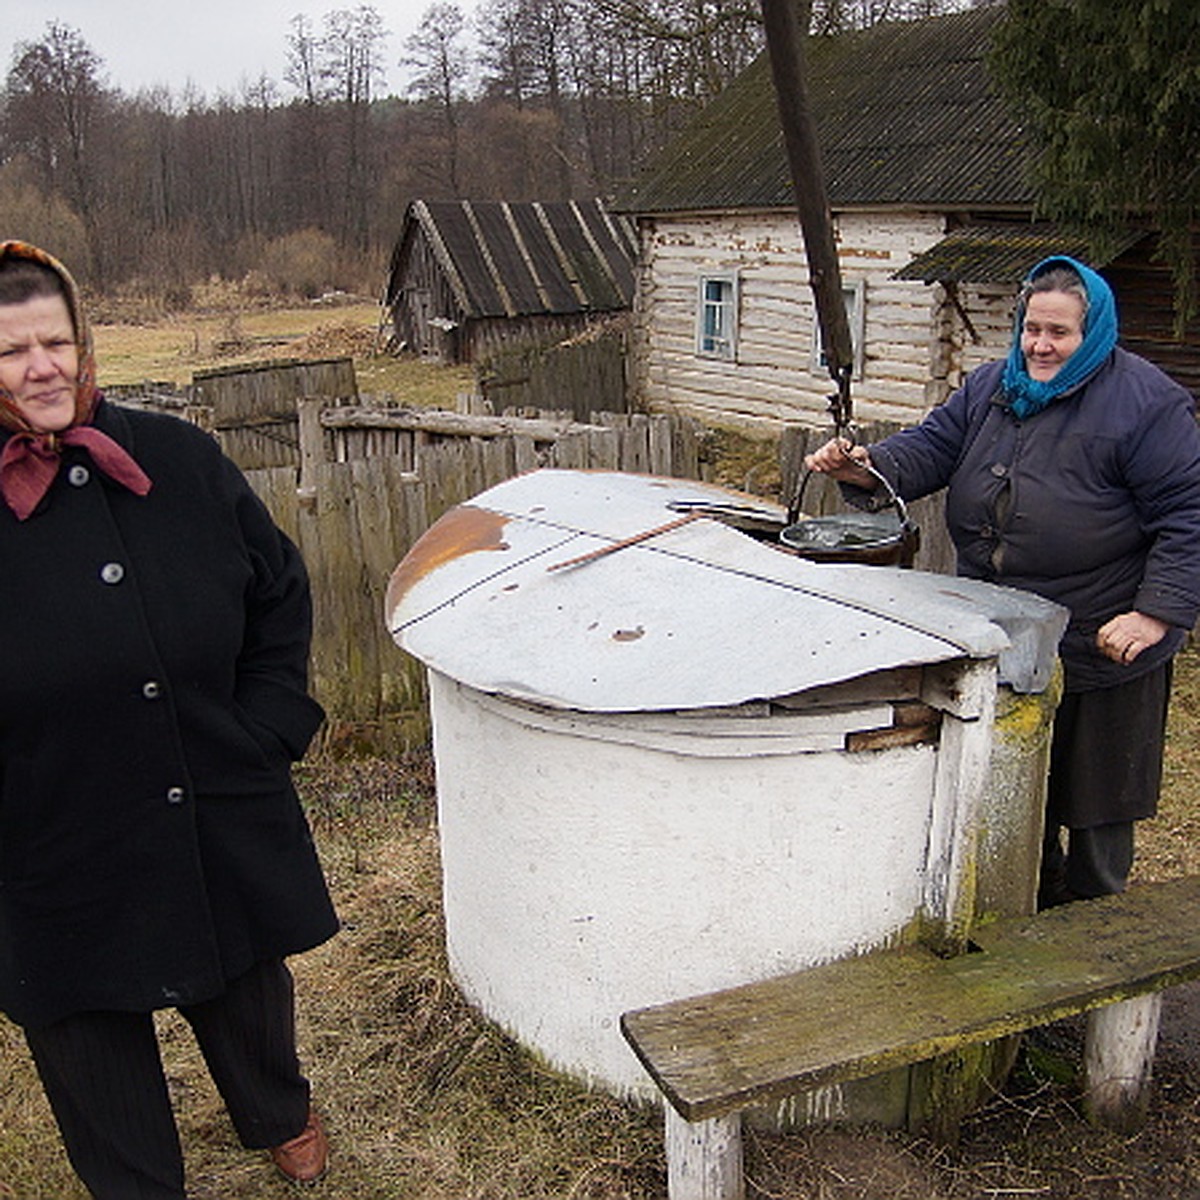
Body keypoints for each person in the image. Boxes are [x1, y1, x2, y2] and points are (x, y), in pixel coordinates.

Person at [0, 241, 339, 1196]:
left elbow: (277, 591)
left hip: (211, 788)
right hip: (47, 822)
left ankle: (277, 1111)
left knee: (241, 979)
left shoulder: (179, 457)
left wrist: (269, 725)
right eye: (11, 350)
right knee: (84, 1025)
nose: (42, 368)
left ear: (83, 343)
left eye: (56, 342)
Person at [806, 254, 1200, 908]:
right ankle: (1027, 928)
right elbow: (932, 450)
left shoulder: (1147, 404)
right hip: (1006, 636)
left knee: (1099, 812)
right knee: (1018, 793)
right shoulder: (993, 386)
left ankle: (1101, 949)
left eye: (1059, 333)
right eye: (1032, 329)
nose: (1041, 346)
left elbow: (1188, 514)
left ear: (1092, 332)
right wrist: (865, 469)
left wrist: (1155, 615)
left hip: (1104, 642)